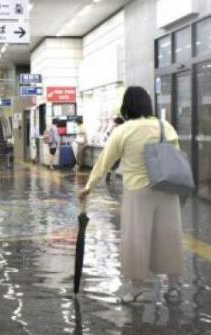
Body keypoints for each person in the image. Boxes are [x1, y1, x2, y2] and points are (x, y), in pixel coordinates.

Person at [79, 86, 183, 303]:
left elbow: (104, 162)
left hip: (138, 191)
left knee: (137, 238)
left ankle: (136, 289)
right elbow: (176, 156)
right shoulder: (166, 126)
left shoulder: (124, 130)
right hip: (166, 188)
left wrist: (89, 186)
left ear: (127, 107)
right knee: (169, 236)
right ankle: (174, 286)